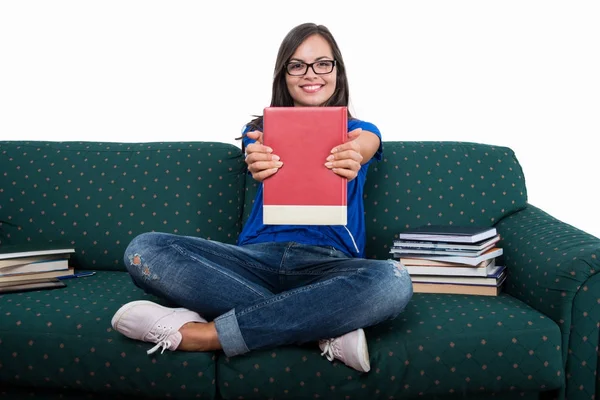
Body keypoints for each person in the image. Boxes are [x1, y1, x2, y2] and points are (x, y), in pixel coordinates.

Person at [111, 22, 413, 373]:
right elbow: (255, 151)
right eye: (297, 65)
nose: (310, 74)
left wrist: (354, 153)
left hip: (329, 267)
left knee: (393, 280)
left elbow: (365, 146)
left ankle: (208, 334)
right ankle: (320, 329)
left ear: (337, 71)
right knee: (143, 250)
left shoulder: (360, 130)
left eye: (322, 63)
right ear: (283, 74)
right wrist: (257, 156)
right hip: (252, 261)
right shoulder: (258, 131)